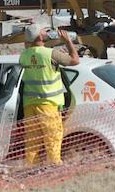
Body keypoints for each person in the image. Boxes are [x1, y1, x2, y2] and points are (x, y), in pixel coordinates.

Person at [19, 25, 80, 165]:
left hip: (29, 103)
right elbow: (75, 60)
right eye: (43, 32)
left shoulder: (24, 55)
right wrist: (68, 42)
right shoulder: (50, 54)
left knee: (32, 140)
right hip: (48, 104)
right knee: (52, 137)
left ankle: (31, 168)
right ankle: (54, 166)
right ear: (40, 37)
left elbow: (33, 53)